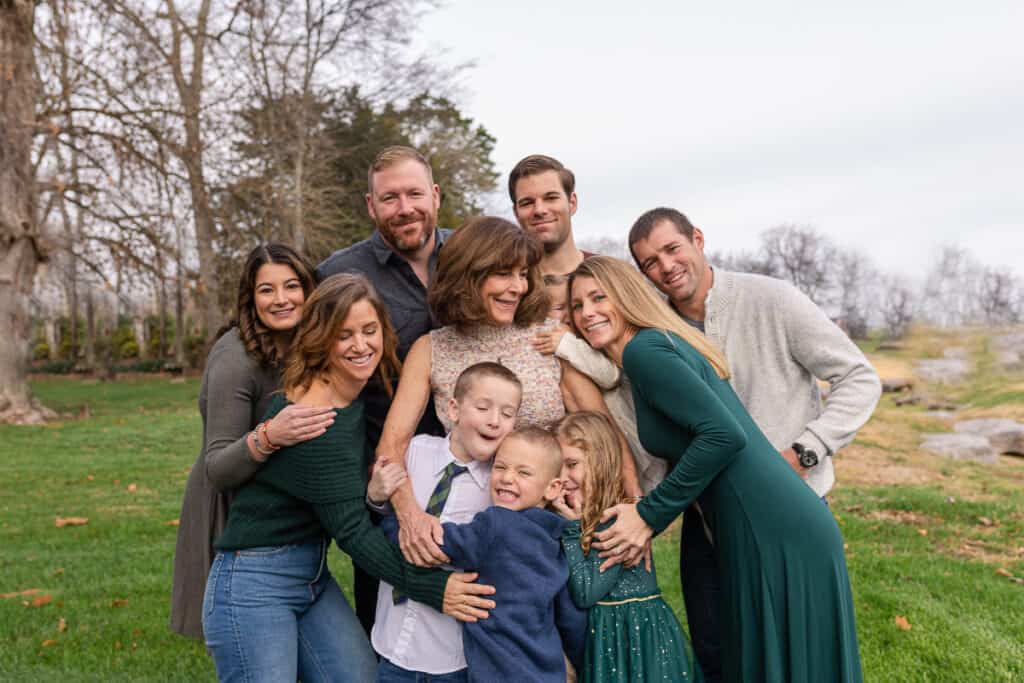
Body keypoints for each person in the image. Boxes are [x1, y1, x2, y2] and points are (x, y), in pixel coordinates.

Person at [568, 256, 863, 683]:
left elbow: (723, 436)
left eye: (599, 298)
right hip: (760, 523)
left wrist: (650, 515)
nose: (587, 312)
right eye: (577, 306)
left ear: (626, 296)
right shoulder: (651, 348)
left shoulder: (646, 352)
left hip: (774, 528)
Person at [628, 207, 881, 681]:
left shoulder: (771, 299)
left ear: (697, 239)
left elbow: (859, 376)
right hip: (707, 519)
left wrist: (807, 449)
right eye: (649, 262)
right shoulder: (657, 331)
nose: (665, 267)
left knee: (794, 654)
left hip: (787, 511)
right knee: (717, 649)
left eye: (671, 249)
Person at [202, 274, 486, 682]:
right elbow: (354, 534)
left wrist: (372, 496)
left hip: (310, 575)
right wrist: (437, 590)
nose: (361, 345)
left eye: (369, 331)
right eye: (344, 335)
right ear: (321, 340)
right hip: (253, 584)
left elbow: (342, 500)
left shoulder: (348, 396)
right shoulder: (315, 419)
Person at [377, 216, 643, 570]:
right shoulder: (431, 349)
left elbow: (602, 428)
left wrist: (638, 508)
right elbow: (393, 445)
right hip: (468, 523)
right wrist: (411, 519)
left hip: (554, 521)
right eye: (503, 274)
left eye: (522, 274)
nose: (517, 287)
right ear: (467, 275)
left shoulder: (548, 336)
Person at [316, 145, 457, 633]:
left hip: (479, 470)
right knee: (388, 623)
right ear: (370, 205)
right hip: (384, 480)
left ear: (435, 195)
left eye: (414, 193)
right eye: (389, 197)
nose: (404, 208)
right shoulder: (340, 274)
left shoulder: (468, 255)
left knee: (474, 616)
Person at [169, 244, 334, 640]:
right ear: (250, 297)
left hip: (285, 515)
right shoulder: (235, 358)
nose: (281, 300)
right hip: (234, 513)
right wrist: (270, 435)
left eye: (292, 286)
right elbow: (219, 467)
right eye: (267, 290)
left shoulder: (306, 345)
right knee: (250, 645)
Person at [367, 362, 523, 682]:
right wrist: (376, 496)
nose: (495, 421)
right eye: (483, 407)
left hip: (451, 658)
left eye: (507, 414)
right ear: (453, 409)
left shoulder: (502, 489)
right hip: (389, 642)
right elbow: (378, 517)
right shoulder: (413, 453)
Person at [552, 411, 701, 683]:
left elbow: (586, 591)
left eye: (572, 464)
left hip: (635, 636)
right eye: (557, 468)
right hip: (613, 636)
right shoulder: (589, 517)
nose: (563, 477)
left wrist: (572, 531)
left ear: (600, 462)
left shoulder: (617, 522)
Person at [431, 426, 587, 682]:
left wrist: (396, 524)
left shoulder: (496, 524)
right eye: (500, 467)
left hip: (499, 672)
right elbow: (571, 617)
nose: (507, 478)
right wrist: (583, 662)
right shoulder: (556, 537)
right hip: (546, 671)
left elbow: (439, 542)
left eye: (523, 472)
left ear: (552, 488)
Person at [509, 154, 591, 276]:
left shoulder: (612, 278)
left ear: (572, 203)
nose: (539, 210)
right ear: (516, 212)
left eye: (551, 198)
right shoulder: (506, 287)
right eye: (527, 203)